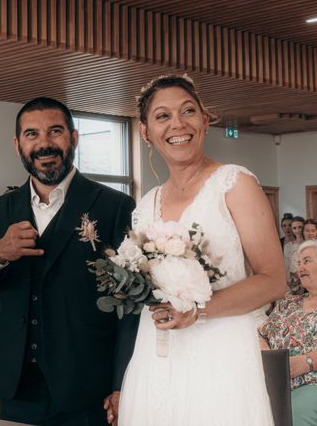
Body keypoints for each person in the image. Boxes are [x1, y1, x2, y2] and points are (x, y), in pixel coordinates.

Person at [0, 97, 137, 425]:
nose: (44, 143)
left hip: (86, 382)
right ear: (17, 144)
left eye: (55, 131)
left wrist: (122, 382)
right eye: (32, 134)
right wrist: (0, 252)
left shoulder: (114, 206)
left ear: (74, 138)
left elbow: (130, 307)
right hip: (16, 381)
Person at [118, 74, 285, 426]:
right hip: (155, 353)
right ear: (145, 131)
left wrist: (197, 311)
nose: (177, 124)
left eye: (188, 111)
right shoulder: (146, 205)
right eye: (162, 116)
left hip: (221, 355)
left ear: (205, 120)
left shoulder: (235, 184)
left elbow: (273, 280)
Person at [259, 239, 317, 426]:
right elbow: (260, 334)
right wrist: (271, 359)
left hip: (311, 383)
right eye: (299, 263)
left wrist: (308, 361)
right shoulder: (287, 303)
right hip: (276, 384)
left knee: (296, 414)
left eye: (307, 261)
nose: (300, 267)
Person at [285, 216, 306, 294]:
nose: (298, 230)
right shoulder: (288, 246)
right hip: (293, 283)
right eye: (294, 228)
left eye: (300, 227)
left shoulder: (309, 244)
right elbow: (286, 266)